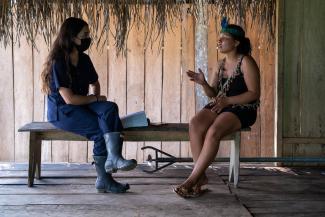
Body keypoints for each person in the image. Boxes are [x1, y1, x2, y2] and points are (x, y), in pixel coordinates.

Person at [40, 17, 137, 193]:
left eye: (88, 34)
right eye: (84, 35)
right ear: (71, 36)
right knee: (101, 131)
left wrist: (97, 97)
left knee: (109, 107)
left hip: (82, 103)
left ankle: (114, 157)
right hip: (63, 111)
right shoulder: (59, 62)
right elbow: (69, 99)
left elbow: (95, 82)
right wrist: (95, 100)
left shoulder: (84, 59)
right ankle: (104, 180)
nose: (88, 38)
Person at [174, 20, 260, 198]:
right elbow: (212, 94)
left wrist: (227, 101)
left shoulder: (246, 62)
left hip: (242, 108)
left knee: (213, 131)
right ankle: (201, 177)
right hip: (222, 103)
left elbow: (254, 93)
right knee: (195, 124)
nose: (219, 41)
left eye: (224, 38)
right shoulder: (220, 64)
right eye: (219, 38)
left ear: (236, 42)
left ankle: (191, 180)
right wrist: (203, 83)